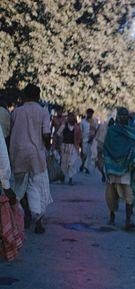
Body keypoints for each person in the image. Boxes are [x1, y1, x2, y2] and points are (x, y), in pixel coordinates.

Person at [9, 84, 52, 234]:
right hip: (36, 156)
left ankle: (26, 215)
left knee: (21, 187)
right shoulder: (43, 112)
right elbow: (46, 134)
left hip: (19, 154)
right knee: (38, 188)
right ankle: (39, 221)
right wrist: (47, 146)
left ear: (24, 96)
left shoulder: (16, 112)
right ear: (39, 96)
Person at [103, 107, 135, 231]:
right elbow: (106, 147)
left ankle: (128, 220)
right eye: (121, 115)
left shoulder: (132, 131)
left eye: (125, 115)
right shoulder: (111, 131)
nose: (123, 117)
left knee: (128, 193)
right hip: (112, 168)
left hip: (126, 167)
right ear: (117, 116)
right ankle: (112, 215)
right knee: (111, 194)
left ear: (128, 116)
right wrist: (104, 163)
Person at [57, 113, 82, 185]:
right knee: (64, 163)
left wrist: (78, 145)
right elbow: (58, 133)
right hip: (64, 147)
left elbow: (80, 138)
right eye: (69, 117)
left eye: (72, 117)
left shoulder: (77, 127)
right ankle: (63, 176)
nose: (70, 119)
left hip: (73, 147)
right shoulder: (64, 126)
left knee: (72, 163)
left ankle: (70, 178)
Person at [93, 118, 113, 183]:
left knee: (107, 163)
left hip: (108, 147)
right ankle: (103, 174)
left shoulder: (113, 129)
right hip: (100, 145)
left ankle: (107, 176)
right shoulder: (102, 126)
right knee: (100, 162)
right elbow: (97, 135)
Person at [81, 108, 98, 173]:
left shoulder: (95, 121)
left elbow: (96, 130)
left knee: (89, 154)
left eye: (91, 113)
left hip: (92, 140)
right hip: (84, 139)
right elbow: (81, 130)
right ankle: (83, 165)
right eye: (89, 113)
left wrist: (93, 137)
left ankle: (86, 167)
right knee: (84, 153)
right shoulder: (83, 121)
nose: (90, 114)